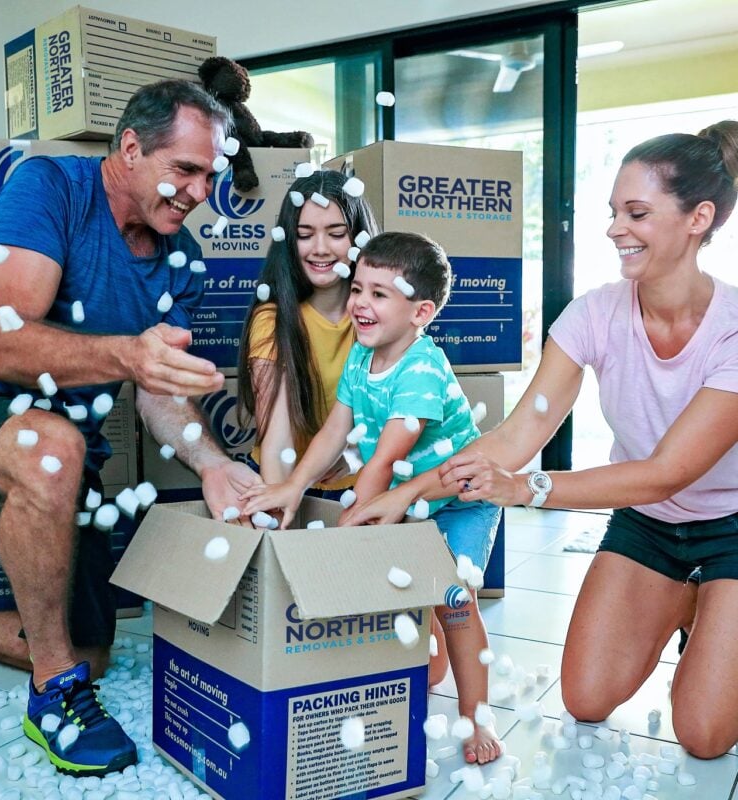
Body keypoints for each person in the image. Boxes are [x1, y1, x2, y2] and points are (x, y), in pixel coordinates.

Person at [344, 121, 738, 759]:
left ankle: (711, 609)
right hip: (649, 528)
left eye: (636, 213)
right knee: (585, 697)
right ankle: (681, 597)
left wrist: (529, 489)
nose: (615, 229)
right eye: (613, 212)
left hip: (731, 527)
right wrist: (408, 493)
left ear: (698, 218)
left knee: (704, 736)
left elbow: (670, 470)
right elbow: (519, 431)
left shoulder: (733, 331)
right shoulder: (594, 313)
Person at [0, 79, 261, 775]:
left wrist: (210, 462)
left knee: (91, 650)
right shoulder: (49, 187)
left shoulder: (183, 265)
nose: (199, 192)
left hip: (67, 446)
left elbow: (158, 394)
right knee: (51, 444)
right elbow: (3, 343)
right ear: (131, 148)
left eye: (211, 176)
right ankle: (53, 697)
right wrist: (125, 353)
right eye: (185, 170)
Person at [242, 231, 504, 764]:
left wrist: (349, 533)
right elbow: (336, 431)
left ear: (420, 312)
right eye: (358, 287)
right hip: (407, 501)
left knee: (453, 598)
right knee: (414, 609)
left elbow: (383, 462)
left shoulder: (422, 371)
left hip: (461, 500)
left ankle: (478, 719)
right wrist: (293, 484)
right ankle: (428, 663)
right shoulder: (363, 359)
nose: (360, 302)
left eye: (380, 294)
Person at [236, 170, 378, 497]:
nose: (320, 248)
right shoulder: (272, 320)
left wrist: (356, 456)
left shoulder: (383, 315)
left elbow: (401, 418)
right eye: (304, 234)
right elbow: (276, 443)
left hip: (367, 483)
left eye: (336, 233)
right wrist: (279, 515)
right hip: (291, 486)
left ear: (358, 237)